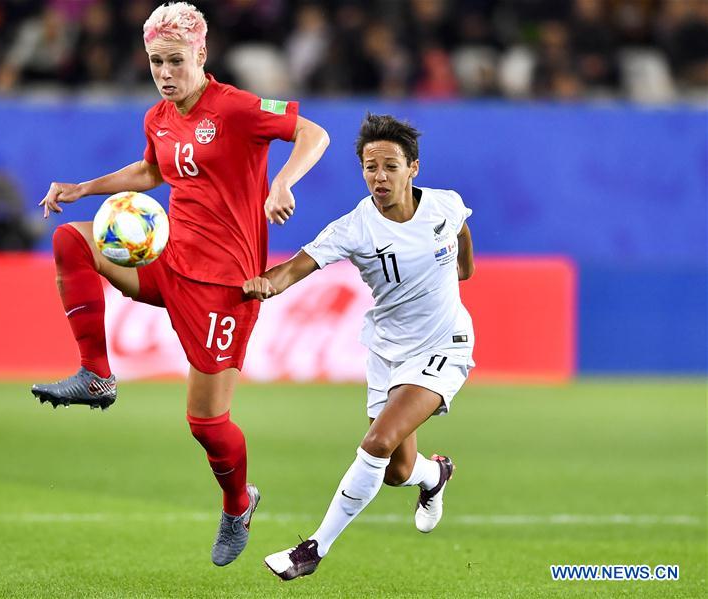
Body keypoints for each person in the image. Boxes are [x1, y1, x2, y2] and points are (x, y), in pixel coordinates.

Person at [31, 2, 329, 567]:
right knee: (72, 239)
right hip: (167, 261)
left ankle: (238, 503)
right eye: (155, 62)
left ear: (201, 54)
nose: (164, 73)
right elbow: (151, 172)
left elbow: (314, 134)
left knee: (206, 424)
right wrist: (83, 188)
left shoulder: (237, 108)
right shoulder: (158, 117)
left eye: (175, 61)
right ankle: (96, 374)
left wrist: (282, 183)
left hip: (226, 286)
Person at [246, 114, 475, 580]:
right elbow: (294, 268)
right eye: (371, 168)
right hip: (388, 353)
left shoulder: (445, 205)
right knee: (396, 470)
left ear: (413, 168)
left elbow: (461, 230)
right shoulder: (354, 228)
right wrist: (264, 284)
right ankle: (435, 475)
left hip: (444, 346)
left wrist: (464, 270)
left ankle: (313, 549)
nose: (380, 177)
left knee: (376, 443)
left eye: (391, 166)